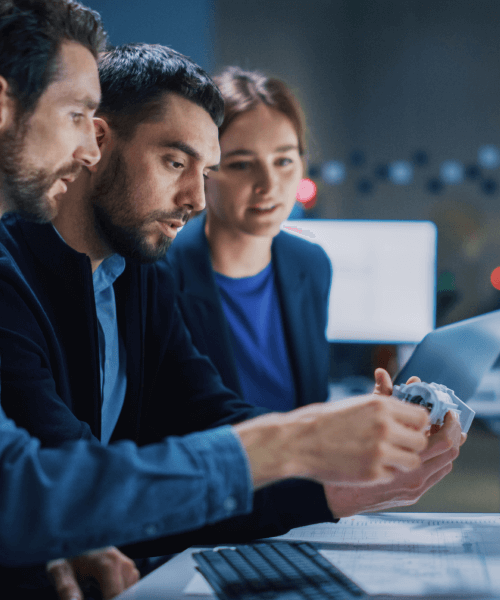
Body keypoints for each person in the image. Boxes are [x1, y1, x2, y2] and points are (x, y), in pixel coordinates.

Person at [0, 41, 431, 596]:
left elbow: (205, 411)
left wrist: (338, 471)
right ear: (97, 143)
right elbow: (77, 479)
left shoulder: (138, 273)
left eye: (205, 172)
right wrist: (306, 442)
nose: (196, 199)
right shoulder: (11, 279)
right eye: (175, 163)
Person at [166, 66, 466, 515]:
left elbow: (308, 401)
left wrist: (369, 420)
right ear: (206, 168)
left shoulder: (308, 265)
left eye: (285, 160)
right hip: (210, 505)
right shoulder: (161, 272)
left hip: (299, 506)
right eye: (241, 163)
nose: (269, 185)